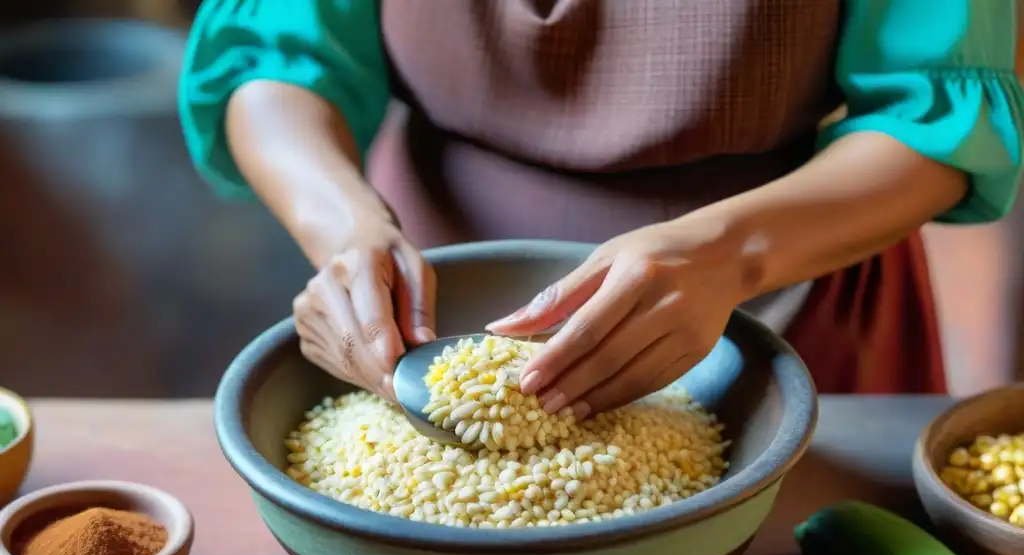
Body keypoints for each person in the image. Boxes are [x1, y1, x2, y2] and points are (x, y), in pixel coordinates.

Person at [180, 0, 1024, 418]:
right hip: (430, 312)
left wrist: (727, 253)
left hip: (787, 292)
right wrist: (348, 228)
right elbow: (280, 58)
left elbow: (934, 115)